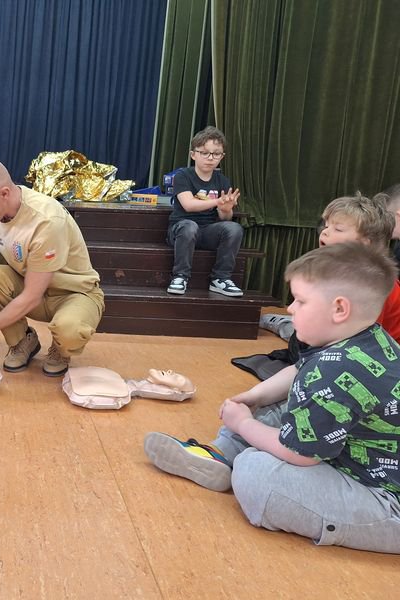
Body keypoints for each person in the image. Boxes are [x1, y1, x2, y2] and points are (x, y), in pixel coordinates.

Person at [144, 242, 400, 553]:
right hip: (355, 456)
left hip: (384, 500)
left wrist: (243, 424)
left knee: (256, 473)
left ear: (339, 309)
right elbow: (298, 370)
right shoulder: (367, 337)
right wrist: (255, 396)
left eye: (300, 301)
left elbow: (299, 455)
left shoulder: (335, 370)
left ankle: (234, 454)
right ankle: (221, 453)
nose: (289, 309)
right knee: (281, 404)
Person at [0, 155, 105, 376]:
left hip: (74, 293)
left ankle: (61, 350)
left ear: (4, 193)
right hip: (38, 291)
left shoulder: (45, 221)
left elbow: (31, 297)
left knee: (68, 330)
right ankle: (23, 341)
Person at [259, 193, 400, 347]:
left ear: (365, 243)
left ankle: (284, 325)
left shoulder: (376, 285)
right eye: (326, 226)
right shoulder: (332, 271)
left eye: (338, 229)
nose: (325, 232)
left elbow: (365, 342)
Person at [166, 126, 243, 296]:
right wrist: (217, 201)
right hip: (181, 230)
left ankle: (221, 278)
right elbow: (188, 205)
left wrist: (225, 209)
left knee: (234, 228)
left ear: (222, 157)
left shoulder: (223, 181)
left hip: (208, 231)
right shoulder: (183, 176)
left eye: (216, 154)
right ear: (193, 154)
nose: (210, 158)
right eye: (205, 153)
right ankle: (180, 276)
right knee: (189, 226)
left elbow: (225, 218)